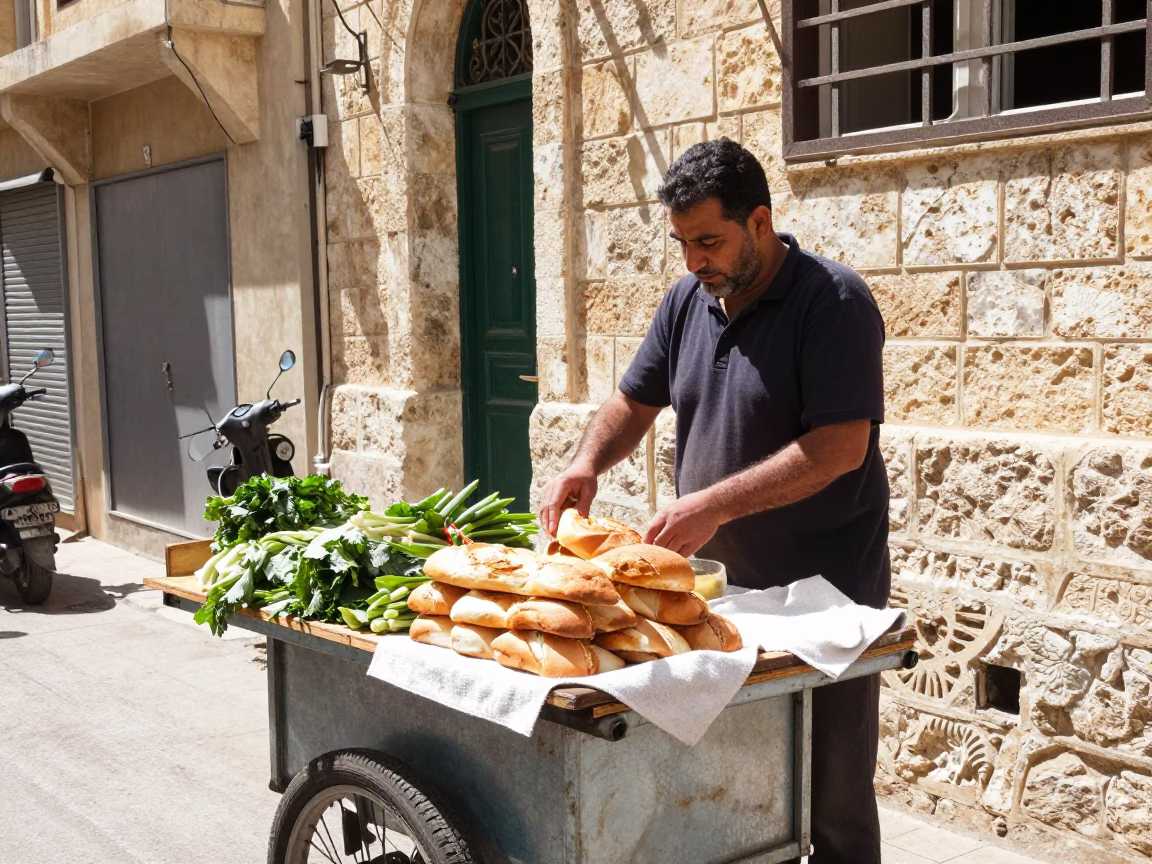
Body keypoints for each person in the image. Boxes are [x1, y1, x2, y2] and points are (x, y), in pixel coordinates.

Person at [539, 138, 890, 864]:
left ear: (759, 222)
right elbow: (633, 400)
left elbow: (840, 447)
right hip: (718, 605)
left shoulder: (834, 302)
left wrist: (715, 505)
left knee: (831, 802)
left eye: (709, 241)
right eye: (682, 243)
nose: (695, 260)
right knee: (732, 797)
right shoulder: (685, 302)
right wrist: (585, 462)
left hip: (822, 605)